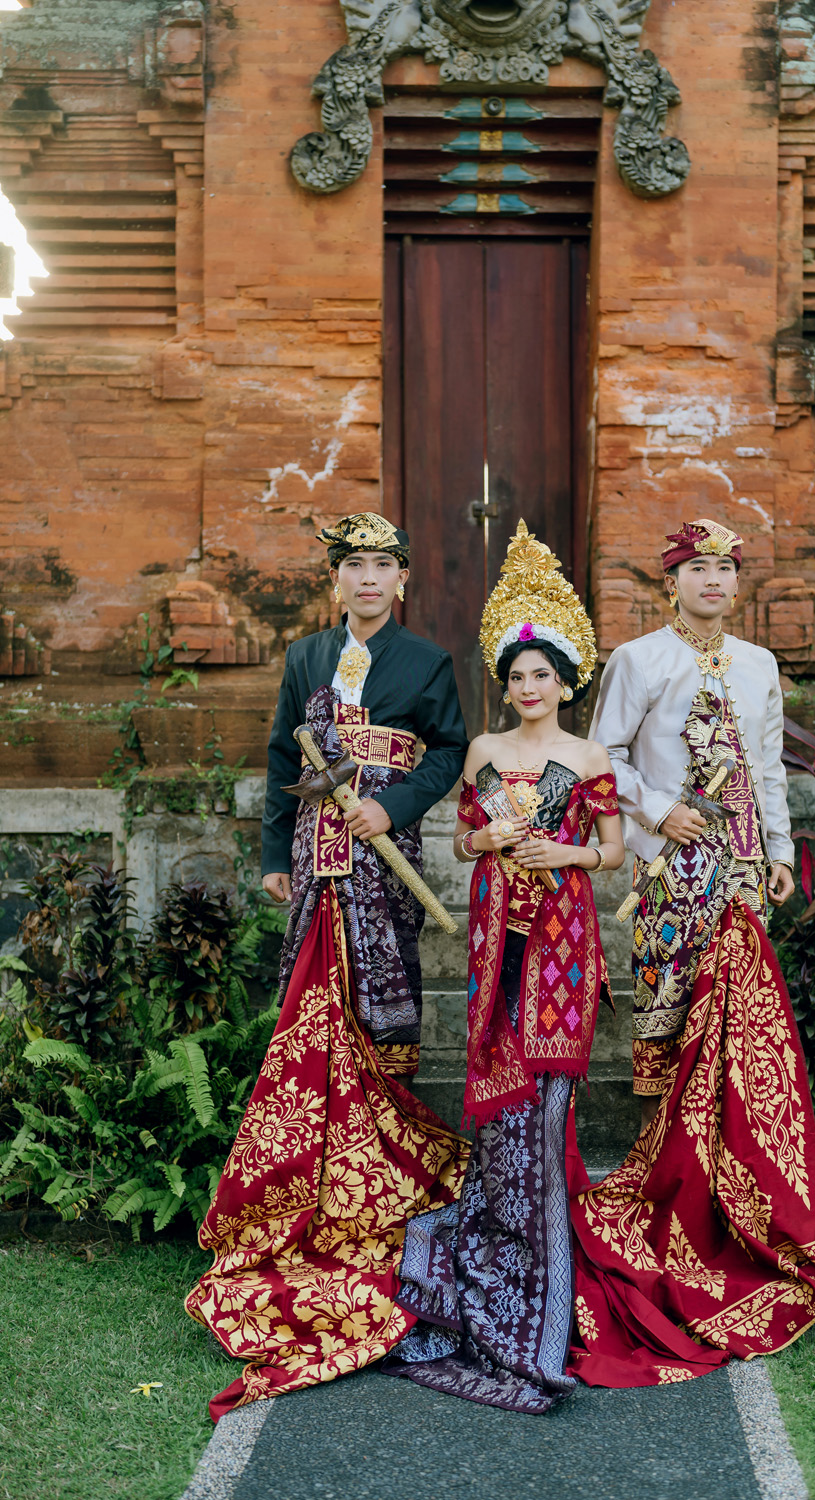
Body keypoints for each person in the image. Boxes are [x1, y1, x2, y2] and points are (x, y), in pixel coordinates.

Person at [186, 513, 470, 1418]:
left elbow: (452, 751)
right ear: (336, 578)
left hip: (384, 857)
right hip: (317, 858)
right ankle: (307, 1185)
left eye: (384, 564)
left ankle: (382, 1192)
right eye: (355, 565)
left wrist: (396, 807)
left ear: (403, 579)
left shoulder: (426, 662)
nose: (369, 578)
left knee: (383, 1014)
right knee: (312, 1011)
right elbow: (283, 752)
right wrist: (277, 852)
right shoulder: (306, 658)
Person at [567, 517, 815, 1389]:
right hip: (669, 877)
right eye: (699, 568)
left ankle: (737, 1209)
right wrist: (657, 812)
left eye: (726, 568)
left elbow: (766, 768)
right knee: (668, 1037)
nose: (715, 581)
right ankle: (673, 1204)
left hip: (739, 880)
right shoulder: (639, 660)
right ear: (673, 582)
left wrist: (778, 852)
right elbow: (602, 756)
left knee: (737, 1042)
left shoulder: (760, 665)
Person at [385, 519, 630, 1412]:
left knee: (545, 1096)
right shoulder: (485, 754)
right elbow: (462, 838)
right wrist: (487, 840)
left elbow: (613, 852)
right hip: (496, 936)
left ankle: (544, 1262)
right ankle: (497, 1233)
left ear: (567, 681)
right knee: (496, 1092)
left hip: (562, 937)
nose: (530, 688)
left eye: (543, 675)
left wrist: (562, 854)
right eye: (518, 676)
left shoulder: (588, 757)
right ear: (506, 684)